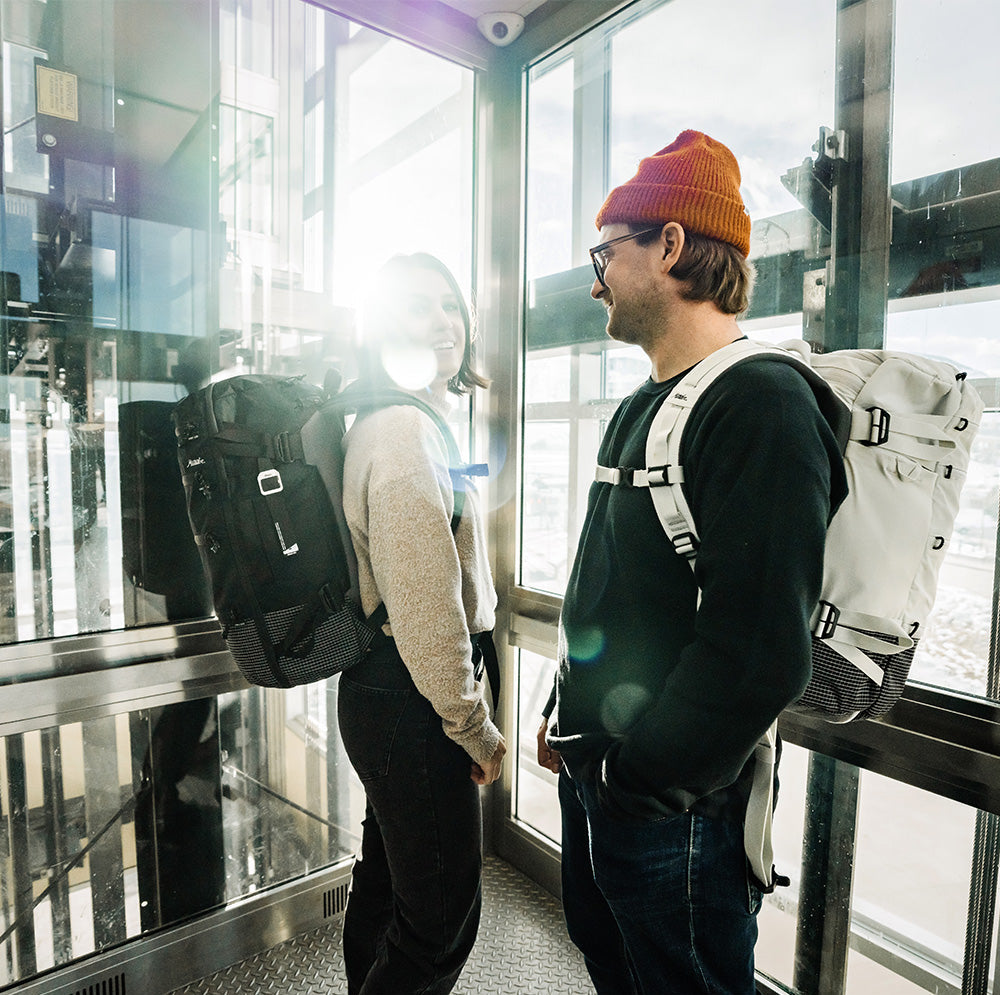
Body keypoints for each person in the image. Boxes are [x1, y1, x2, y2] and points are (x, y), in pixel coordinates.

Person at [536, 130, 848, 994]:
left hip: (677, 816)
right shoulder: (645, 403)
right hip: (604, 773)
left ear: (670, 243)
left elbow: (758, 654)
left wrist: (640, 785)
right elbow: (615, 584)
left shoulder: (762, 403)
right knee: (617, 969)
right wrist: (564, 704)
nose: (595, 276)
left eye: (607, 250)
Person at [338, 252, 506, 995]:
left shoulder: (403, 421)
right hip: (413, 699)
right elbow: (427, 610)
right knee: (439, 919)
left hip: (390, 694)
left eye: (450, 305)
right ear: (381, 329)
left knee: (387, 885)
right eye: (417, 308)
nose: (443, 322)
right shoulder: (405, 432)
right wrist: (473, 725)